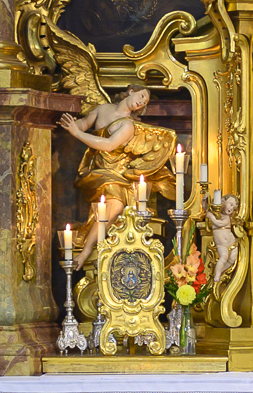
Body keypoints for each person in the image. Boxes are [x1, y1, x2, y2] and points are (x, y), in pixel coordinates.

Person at [61, 86, 178, 262]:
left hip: (118, 174)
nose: (141, 102)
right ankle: (92, 247)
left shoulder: (128, 125)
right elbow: (84, 124)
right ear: (131, 91)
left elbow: (109, 145)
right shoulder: (103, 109)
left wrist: (76, 133)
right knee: (109, 207)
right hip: (96, 169)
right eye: (141, 96)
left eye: (144, 102)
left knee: (115, 207)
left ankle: (87, 251)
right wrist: (70, 125)